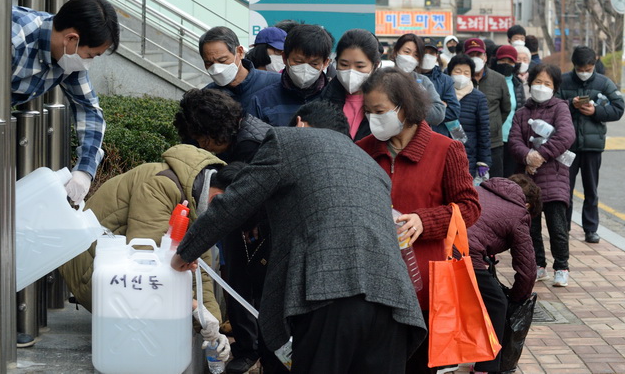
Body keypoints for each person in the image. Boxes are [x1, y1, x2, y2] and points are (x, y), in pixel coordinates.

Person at [172, 126, 428, 373]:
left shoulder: (284, 143)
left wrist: (184, 254)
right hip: (395, 301)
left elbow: (234, 202)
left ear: (300, 123)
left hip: (330, 295)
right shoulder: (371, 167)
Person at [0, 0, 120, 354]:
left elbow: (90, 112)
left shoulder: (65, 55)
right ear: (72, 39)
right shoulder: (3, 41)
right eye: (91, 54)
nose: (88, 62)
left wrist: (84, 171)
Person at [357, 68, 481, 373]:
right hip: (373, 278)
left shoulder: (445, 149)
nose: (374, 119)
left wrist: (425, 221)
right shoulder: (362, 150)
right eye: (369, 112)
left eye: (381, 111)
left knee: (418, 363)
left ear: (404, 107)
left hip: (425, 282)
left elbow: (469, 206)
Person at [59, 144, 231, 362]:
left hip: (118, 277)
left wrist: (211, 325)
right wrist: (194, 307)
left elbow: (201, 271)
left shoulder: (198, 199)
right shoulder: (160, 184)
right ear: (218, 198)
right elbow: (145, 263)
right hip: (92, 274)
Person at [174, 88, 283, 373]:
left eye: (206, 141)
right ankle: (248, 348)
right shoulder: (236, 135)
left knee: (258, 289)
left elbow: (251, 196)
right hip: (241, 222)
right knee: (236, 282)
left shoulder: (253, 143)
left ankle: (265, 353)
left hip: (263, 225)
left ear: (216, 131)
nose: (206, 147)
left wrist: (188, 248)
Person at [508, 63, 576, 287]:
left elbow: (566, 135)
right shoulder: (521, 112)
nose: (541, 86)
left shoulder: (560, 108)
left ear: (555, 87)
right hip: (528, 179)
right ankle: (538, 265)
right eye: (538, 82)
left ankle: (562, 267)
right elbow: (514, 141)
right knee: (531, 227)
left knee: (557, 226)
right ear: (530, 83)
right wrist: (528, 157)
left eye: (547, 83)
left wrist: (541, 155)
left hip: (554, 177)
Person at [467, 174, 540, 373]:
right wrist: (516, 300)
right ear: (528, 205)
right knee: (497, 303)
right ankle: (486, 367)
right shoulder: (519, 212)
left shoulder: (480, 189)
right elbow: (527, 271)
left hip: (442, 244)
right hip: (465, 254)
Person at [557, 46, 625, 244]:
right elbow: (551, 105)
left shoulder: (604, 83)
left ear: (594, 65)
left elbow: (619, 108)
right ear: (574, 65)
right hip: (567, 146)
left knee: (591, 189)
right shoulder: (563, 81)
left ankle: (591, 229)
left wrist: (595, 111)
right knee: (564, 189)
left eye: (588, 68)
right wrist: (570, 104)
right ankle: (563, 228)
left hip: (593, 146)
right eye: (581, 68)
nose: (584, 72)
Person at [246, 24, 332, 127]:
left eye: (314, 64)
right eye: (298, 62)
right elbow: (251, 141)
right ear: (284, 58)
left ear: (326, 63)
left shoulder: (334, 100)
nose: (305, 69)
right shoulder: (261, 101)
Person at [200, 26, 281, 110]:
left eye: (222, 60)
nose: (216, 69)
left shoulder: (276, 83)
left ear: (239, 52)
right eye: (209, 63)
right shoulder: (205, 96)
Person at [319, 29, 380, 140]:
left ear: (375, 66)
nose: (351, 72)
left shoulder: (386, 102)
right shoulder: (323, 98)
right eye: (344, 64)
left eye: (360, 66)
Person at [465, 38, 512, 178]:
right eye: (471, 55)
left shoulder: (499, 79)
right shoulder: (459, 79)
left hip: (493, 143)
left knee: (495, 183)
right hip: (467, 144)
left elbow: (506, 108)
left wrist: (494, 125)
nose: (475, 59)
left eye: (478, 55)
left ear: (485, 57)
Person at [447, 54, 492, 178]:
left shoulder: (478, 98)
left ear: (471, 76)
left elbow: (484, 131)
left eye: (466, 73)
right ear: (449, 72)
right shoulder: (442, 94)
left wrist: (483, 161)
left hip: (467, 156)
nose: (462, 75)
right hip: (442, 153)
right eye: (458, 71)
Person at [389, 33, 446, 128]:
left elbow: (438, 114)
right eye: (407, 52)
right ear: (396, 52)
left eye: (416, 55)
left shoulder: (423, 81)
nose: (410, 58)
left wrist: (409, 102)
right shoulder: (382, 79)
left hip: (418, 138)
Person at [493, 46, 525, 178]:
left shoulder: (517, 84)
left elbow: (521, 109)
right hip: (494, 138)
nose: (506, 64)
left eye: (510, 61)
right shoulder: (491, 80)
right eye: (503, 60)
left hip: (512, 138)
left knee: (510, 178)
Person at [421, 36, 461, 138]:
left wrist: (419, 110)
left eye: (431, 53)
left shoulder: (445, 80)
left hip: (439, 136)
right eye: (424, 52)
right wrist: (439, 107)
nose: (427, 56)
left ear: (437, 55)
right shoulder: (409, 77)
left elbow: (454, 112)